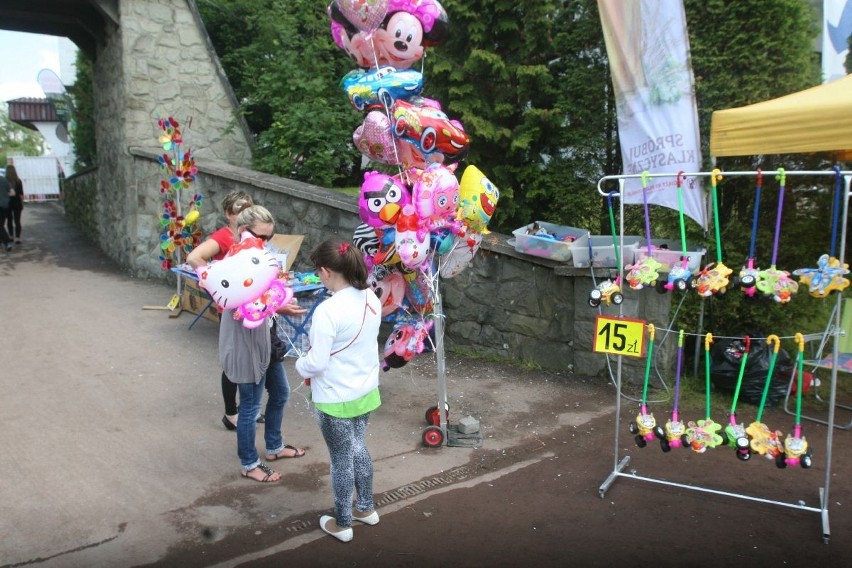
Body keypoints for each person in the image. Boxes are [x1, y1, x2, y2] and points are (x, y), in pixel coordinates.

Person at [294, 238, 383, 543]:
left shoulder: (327, 310)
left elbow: (316, 363)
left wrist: (299, 365)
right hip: (366, 390)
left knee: (341, 459)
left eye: (318, 273)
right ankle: (366, 508)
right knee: (359, 446)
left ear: (326, 271)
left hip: (335, 397)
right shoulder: (373, 298)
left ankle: (343, 523)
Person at [216, 205, 307, 482]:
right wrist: (280, 308)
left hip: (264, 339)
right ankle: (249, 463)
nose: (267, 244)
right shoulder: (236, 262)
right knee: (251, 407)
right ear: (244, 232)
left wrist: (278, 303)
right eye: (263, 237)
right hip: (245, 344)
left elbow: (263, 298)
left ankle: (274, 447)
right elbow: (244, 305)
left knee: (279, 393)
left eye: (270, 237)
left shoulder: (255, 257)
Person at [187, 190, 259, 430]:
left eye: (248, 208)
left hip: (252, 305)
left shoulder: (249, 234)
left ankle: (250, 408)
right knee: (234, 360)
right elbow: (195, 258)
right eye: (239, 210)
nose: (244, 214)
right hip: (231, 307)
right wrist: (217, 281)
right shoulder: (223, 236)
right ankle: (231, 414)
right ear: (228, 213)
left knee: (252, 358)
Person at [5, 165, 24, 244]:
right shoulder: (18, 181)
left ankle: (11, 236)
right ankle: (18, 238)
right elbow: (21, 194)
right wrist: (22, 203)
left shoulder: (4, 181)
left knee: (9, 220)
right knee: (17, 221)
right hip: (17, 202)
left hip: (8, 202)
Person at [0, 174, 13, 251]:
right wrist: (5, 195)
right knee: (1, 224)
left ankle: (7, 242)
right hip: (5, 205)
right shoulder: (4, 180)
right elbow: (12, 192)